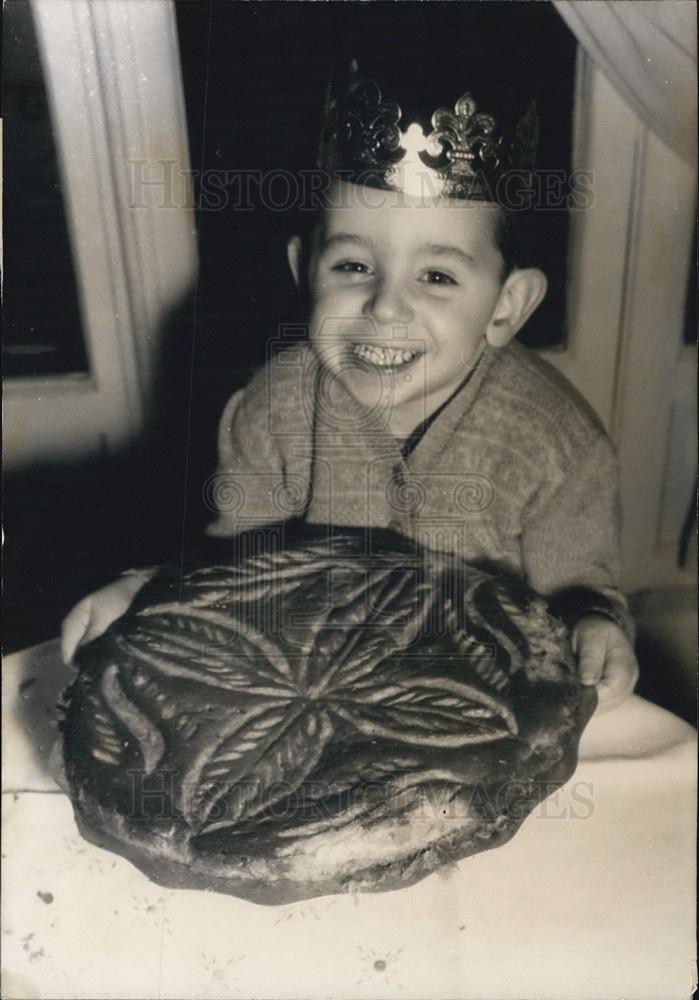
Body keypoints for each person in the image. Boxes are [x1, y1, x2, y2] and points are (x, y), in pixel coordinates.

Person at [61, 63, 638, 712]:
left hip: (486, 706)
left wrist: (596, 628)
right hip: (316, 695)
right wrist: (148, 589)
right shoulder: (270, 408)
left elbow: (582, 595)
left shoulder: (560, 446)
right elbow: (237, 571)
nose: (384, 307)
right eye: (353, 266)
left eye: (437, 277)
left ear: (507, 305)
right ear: (303, 270)